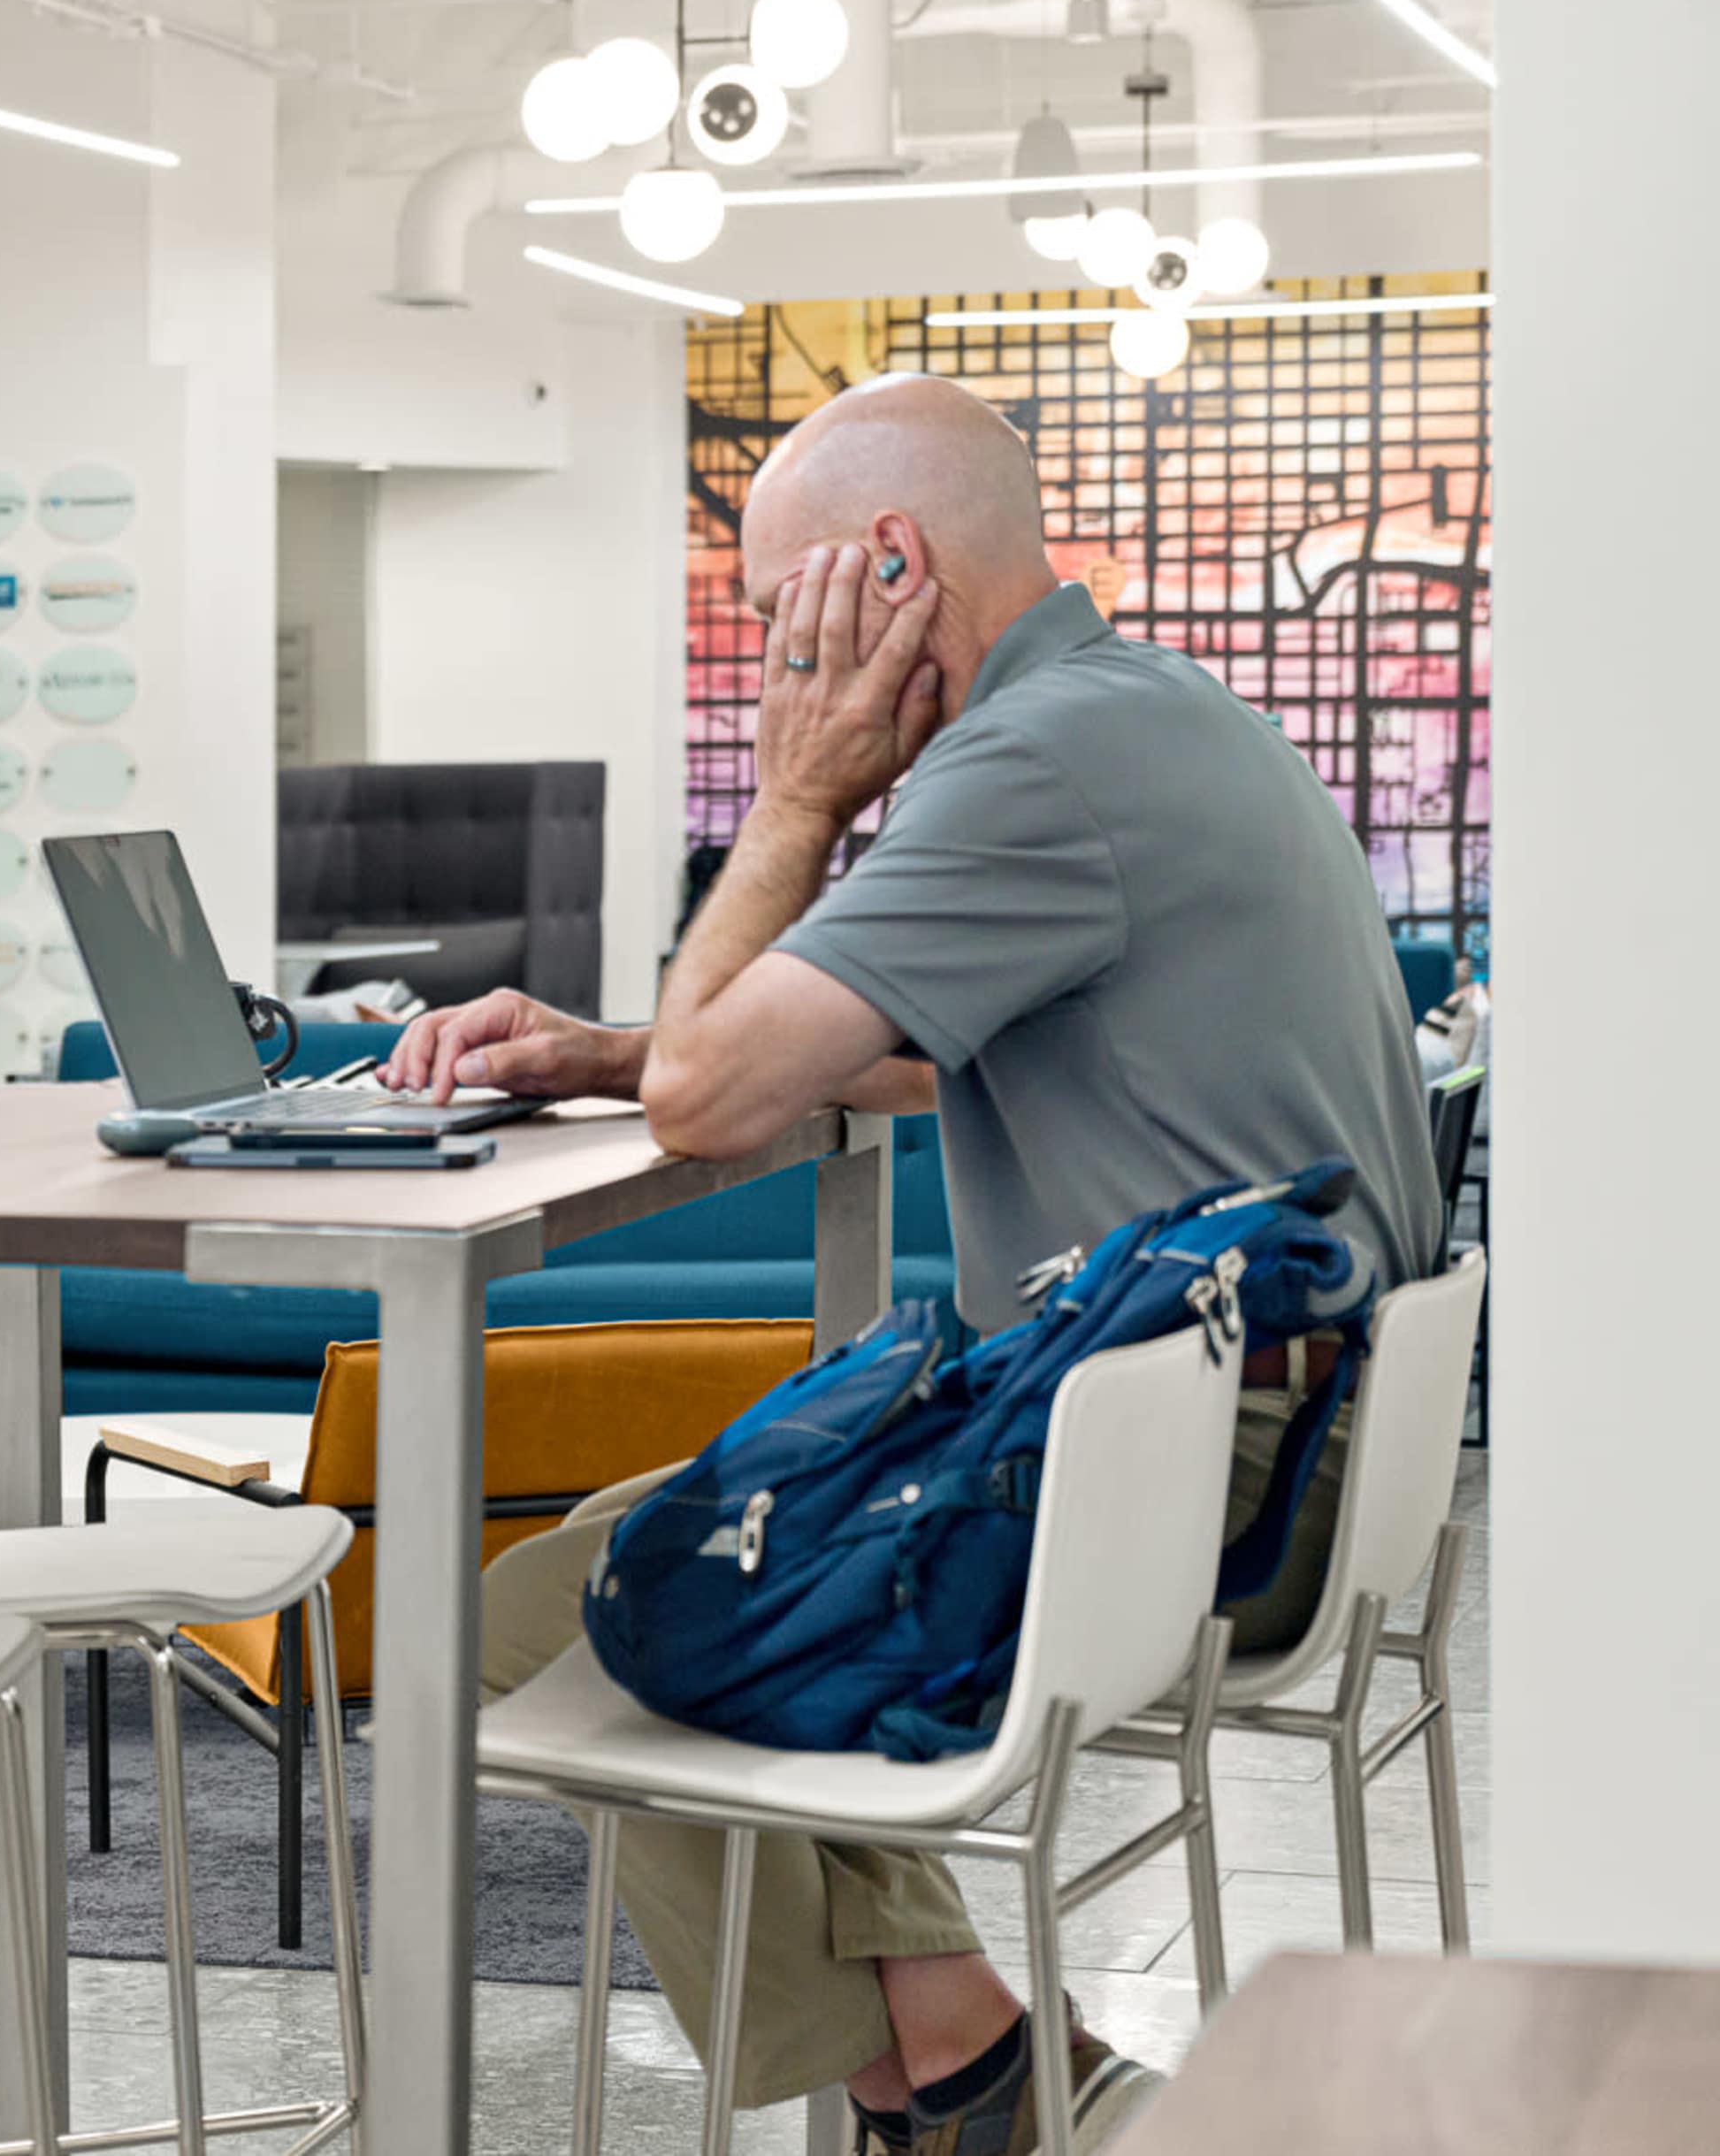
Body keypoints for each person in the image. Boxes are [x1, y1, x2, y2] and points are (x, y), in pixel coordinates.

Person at [383, 372, 1444, 2156]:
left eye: (777, 605)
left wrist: (793, 797)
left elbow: (720, 1103)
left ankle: (955, 2084)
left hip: (1190, 1486)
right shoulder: (1139, 710)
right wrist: (602, 1045)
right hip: (1265, 1435)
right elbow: (893, 1040)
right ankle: (955, 2071)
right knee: (702, 1534)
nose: (772, 650)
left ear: (886, 563)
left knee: (535, 1607)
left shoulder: (1035, 760)